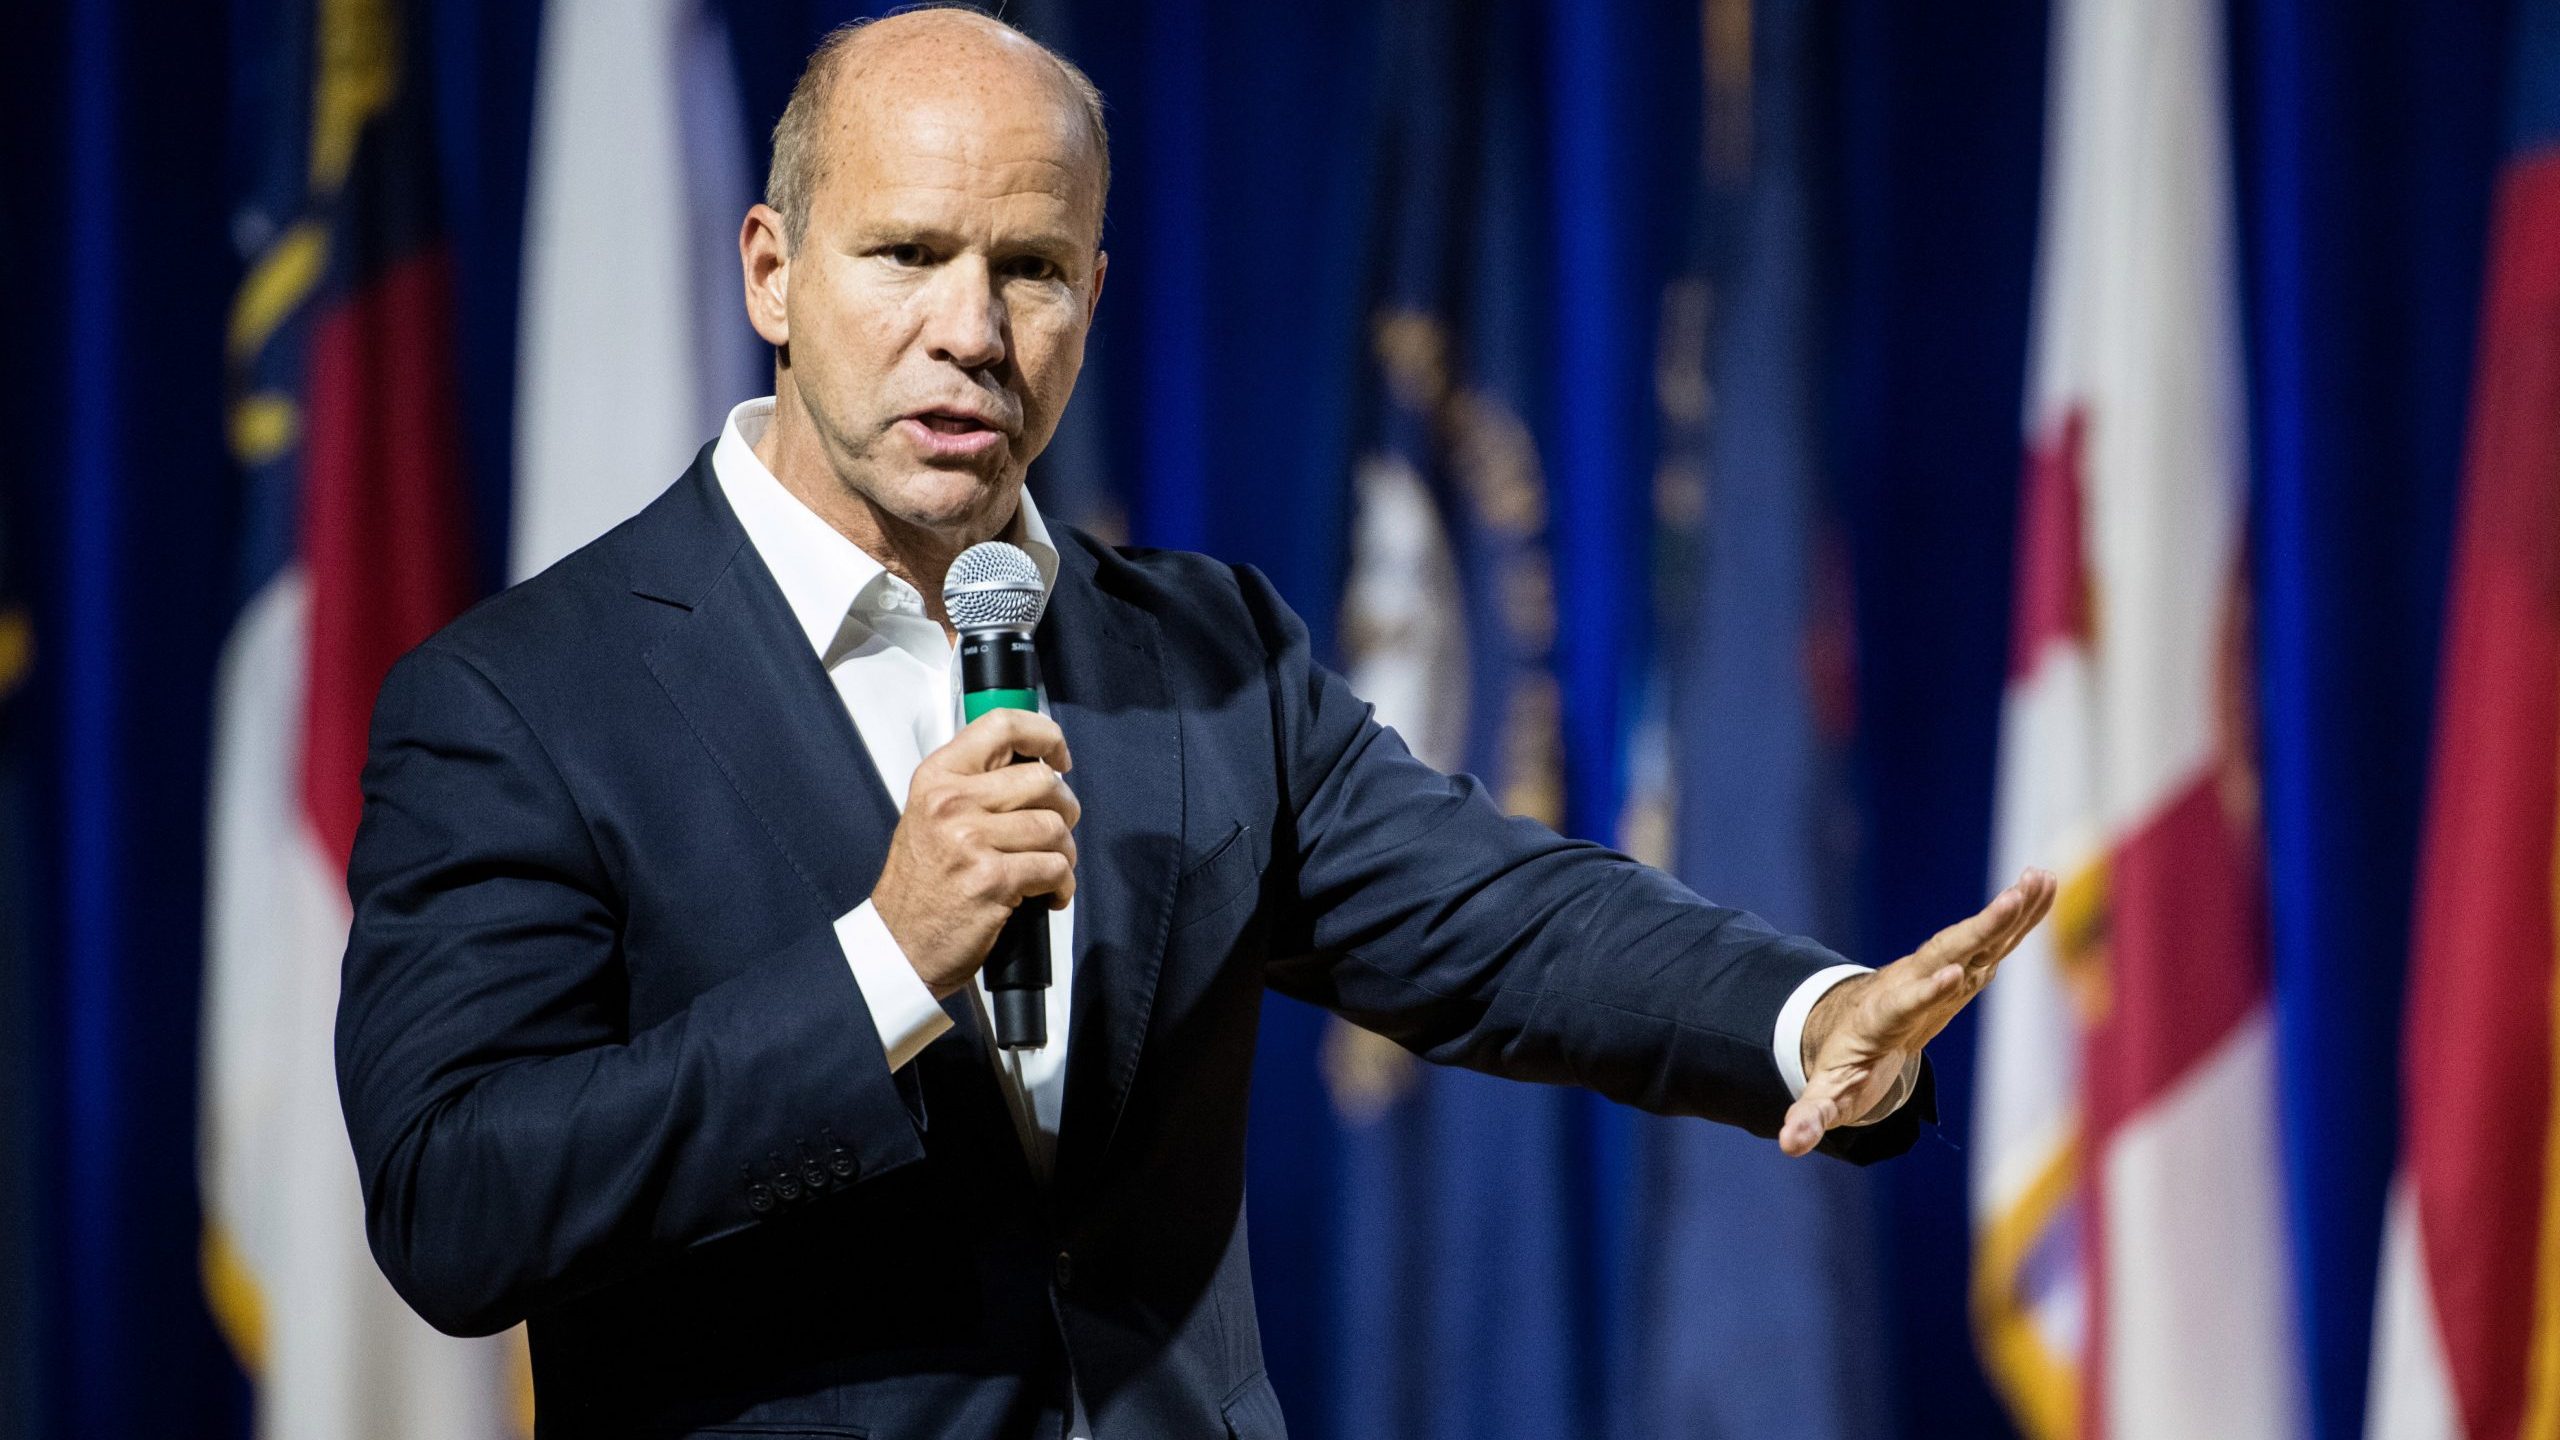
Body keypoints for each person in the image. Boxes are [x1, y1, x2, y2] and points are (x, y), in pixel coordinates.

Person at [334, 8, 2058, 1438]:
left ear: (1094, 291)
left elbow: (1499, 918)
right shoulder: (520, 704)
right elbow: (458, 1202)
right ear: (773, 272)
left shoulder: (1195, 651)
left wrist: (1807, 1009)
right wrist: (882, 965)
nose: (969, 333)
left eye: (1029, 270)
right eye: (908, 255)